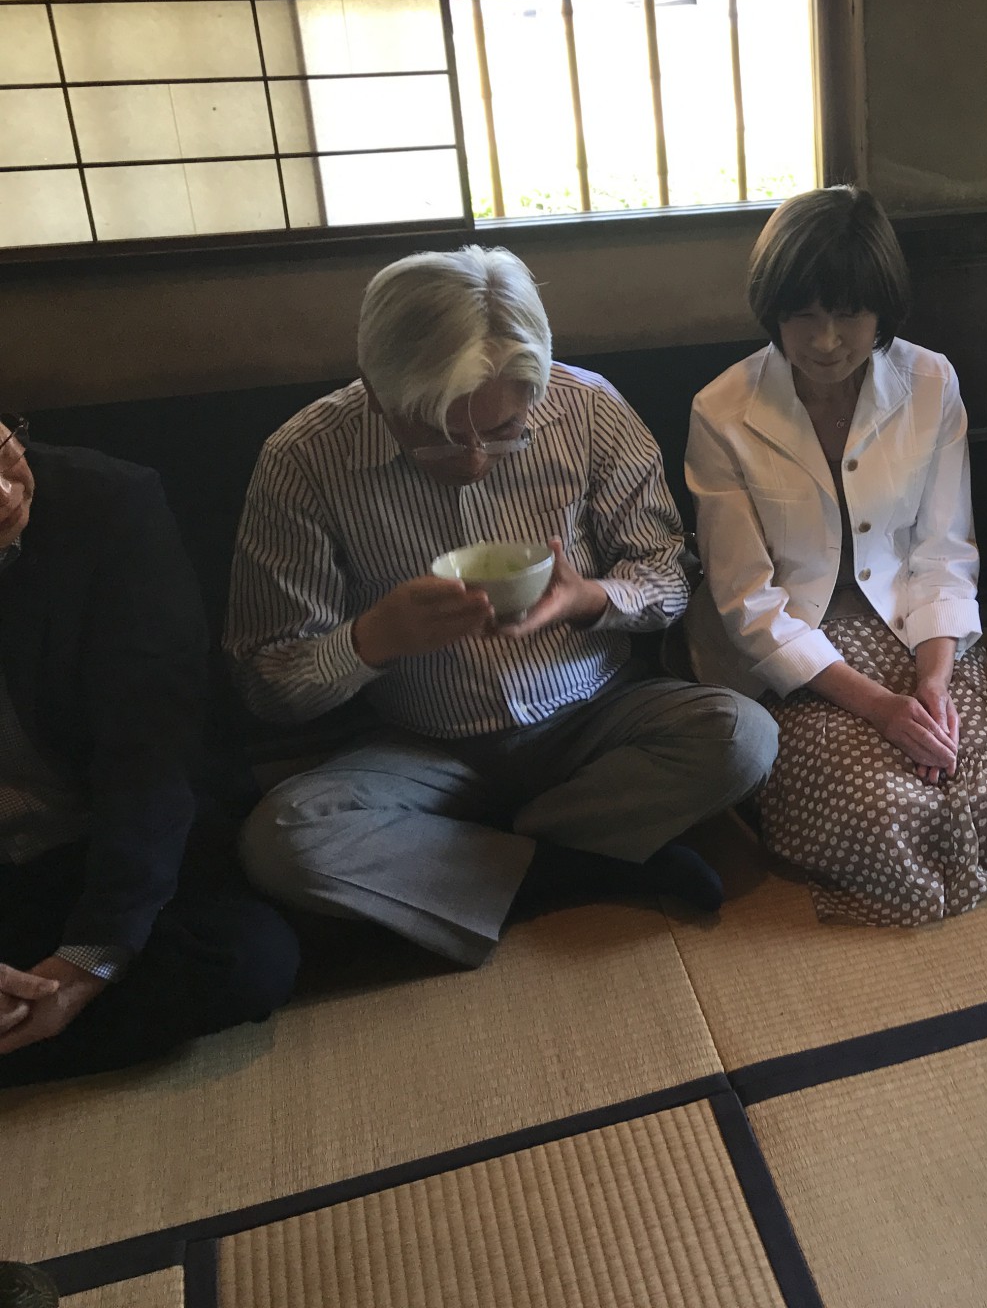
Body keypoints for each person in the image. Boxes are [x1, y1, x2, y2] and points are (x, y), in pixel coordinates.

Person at [227, 247, 776, 967]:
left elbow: (671, 571)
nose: (475, 459)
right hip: (424, 744)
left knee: (742, 737)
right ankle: (586, 866)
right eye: (437, 436)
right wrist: (369, 640)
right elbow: (264, 683)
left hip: (594, 722)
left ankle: (473, 872)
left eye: (504, 430)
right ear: (378, 392)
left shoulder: (587, 410)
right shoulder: (303, 460)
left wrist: (591, 598)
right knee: (282, 839)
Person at [684, 188, 987, 924]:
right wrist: (881, 709)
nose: (825, 340)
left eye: (849, 313)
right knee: (887, 815)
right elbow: (748, 603)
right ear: (773, 310)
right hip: (798, 650)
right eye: (802, 315)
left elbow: (944, 551)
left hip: (912, 625)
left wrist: (934, 682)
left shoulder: (930, 382)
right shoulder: (722, 411)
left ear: (883, 308)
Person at [0, 417, 297, 1086]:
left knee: (247, 960)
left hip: (100, 839)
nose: (4, 491)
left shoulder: (106, 504)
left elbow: (152, 753)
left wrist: (86, 964)